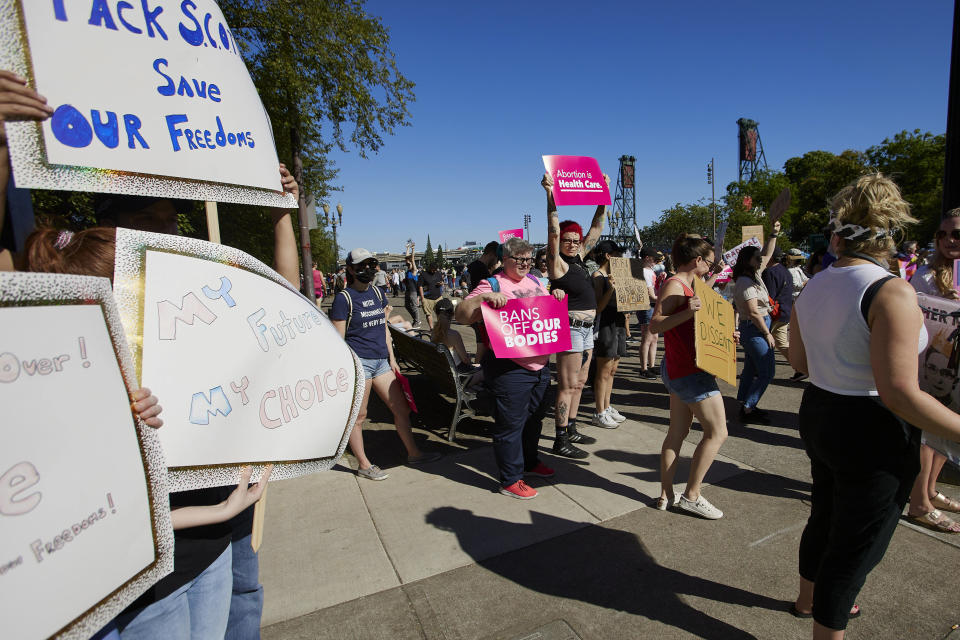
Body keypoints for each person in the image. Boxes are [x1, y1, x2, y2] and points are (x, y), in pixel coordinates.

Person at [22, 227, 273, 640]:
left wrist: (222, 511)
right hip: (146, 591)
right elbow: (102, 522)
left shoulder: (169, 367)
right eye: (146, 294)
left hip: (205, 555)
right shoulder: (63, 401)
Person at [787, 174, 960, 638]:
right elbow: (899, 393)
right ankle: (828, 626)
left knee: (824, 512)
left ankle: (807, 599)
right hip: (871, 426)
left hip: (820, 409)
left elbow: (799, 360)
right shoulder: (891, 291)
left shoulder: (814, 285)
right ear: (893, 233)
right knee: (856, 544)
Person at [455, 237, 565, 498]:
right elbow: (461, 315)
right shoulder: (491, 283)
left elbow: (544, 311)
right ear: (505, 260)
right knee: (510, 425)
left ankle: (529, 462)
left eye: (529, 259)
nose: (526, 264)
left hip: (540, 366)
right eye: (520, 259)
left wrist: (555, 296)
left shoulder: (537, 281)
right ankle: (510, 480)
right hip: (509, 368)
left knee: (534, 419)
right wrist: (484, 298)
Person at [330, 248, 441, 481]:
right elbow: (337, 343)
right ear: (350, 269)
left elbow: (383, 329)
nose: (367, 270)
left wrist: (392, 358)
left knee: (401, 410)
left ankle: (414, 454)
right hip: (360, 365)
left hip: (381, 362)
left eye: (371, 265)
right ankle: (363, 464)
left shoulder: (378, 293)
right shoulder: (344, 299)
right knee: (358, 417)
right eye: (361, 266)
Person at [651, 234, 733, 520]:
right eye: (709, 262)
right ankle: (692, 495)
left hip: (681, 368)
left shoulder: (689, 284)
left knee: (678, 433)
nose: (711, 267)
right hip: (689, 372)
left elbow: (699, 319)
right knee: (717, 432)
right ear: (697, 260)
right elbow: (655, 325)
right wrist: (688, 311)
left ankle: (665, 495)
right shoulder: (675, 284)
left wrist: (725, 333)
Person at [544, 170, 610, 458]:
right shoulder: (556, 261)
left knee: (581, 383)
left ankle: (571, 427)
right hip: (570, 328)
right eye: (568, 240)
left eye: (575, 239)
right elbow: (554, 230)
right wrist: (550, 194)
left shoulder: (581, 257)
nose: (571, 243)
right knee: (567, 384)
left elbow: (597, 226)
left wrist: (603, 196)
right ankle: (560, 438)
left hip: (587, 329)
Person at [905, 208, 960, 533]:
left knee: (946, 436)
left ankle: (930, 490)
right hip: (930, 365)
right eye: (943, 234)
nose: (949, 240)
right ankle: (919, 502)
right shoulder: (924, 275)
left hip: (957, 372)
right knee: (927, 435)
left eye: (956, 234)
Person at [731, 221, 781, 423]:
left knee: (751, 369)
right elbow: (753, 311)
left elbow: (768, 254)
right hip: (755, 329)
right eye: (757, 258)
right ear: (748, 261)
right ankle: (749, 407)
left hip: (758, 327)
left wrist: (773, 234)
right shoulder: (744, 281)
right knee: (767, 371)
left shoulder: (754, 275)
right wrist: (767, 334)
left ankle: (744, 403)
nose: (761, 260)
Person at [590, 240, 629, 428]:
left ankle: (607, 406)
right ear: (608, 256)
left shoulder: (618, 274)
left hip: (619, 322)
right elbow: (598, 308)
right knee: (603, 371)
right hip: (605, 325)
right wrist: (612, 287)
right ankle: (599, 411)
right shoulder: (598, 276)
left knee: (613, 370)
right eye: (617, 254)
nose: (621, 258)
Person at [762, 248, 805, 381]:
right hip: (785, 310)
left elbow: (769, 295)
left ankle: (802, 368)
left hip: (775, 313)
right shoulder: (785, 270)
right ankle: (801, 368)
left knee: (778, 342)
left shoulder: (770, 272)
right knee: (778, 342)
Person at [636, 247, 660, 379]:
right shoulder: (644, 271)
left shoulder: (649, 270)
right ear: (647, 258)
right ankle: (644, 368)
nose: (656, 261)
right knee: (647, 337)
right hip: (647, 306)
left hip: (652, 305)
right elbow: (651, 294)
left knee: (654, 337)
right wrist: (663, 298)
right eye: (654, 258)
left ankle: (651, 365)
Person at [431, 297, 473, 369]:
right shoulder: (454, 335)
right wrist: (468, 358)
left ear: (436, 314)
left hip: (441, 371)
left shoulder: (434, 332)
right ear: (453, 315)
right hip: (457, 374)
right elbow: (465, 360)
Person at [418, 261, 445, 330]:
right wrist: (422, 298)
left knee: (441, 314)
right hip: (427, 298)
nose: (434, 271)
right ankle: (431, 328)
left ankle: (440, 327)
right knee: (428, 314)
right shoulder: (423, 274)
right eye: (433, 269)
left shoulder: (438, 273)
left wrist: (441, 283)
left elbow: (442, 281)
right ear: (430, 268)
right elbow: (420, 286)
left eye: (435, 270)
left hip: (438, 297)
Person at [403, 243, 421, 327]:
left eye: (408, 262)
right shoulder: (408, 270)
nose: (406, 262)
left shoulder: (414, 270)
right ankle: (415, 319)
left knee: (414, 306)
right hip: (408, 290)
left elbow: (412, 259)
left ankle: (417, 321)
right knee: (407, 306)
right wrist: (407, 248)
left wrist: (413, 249)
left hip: (413, 291)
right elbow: (407, 258)